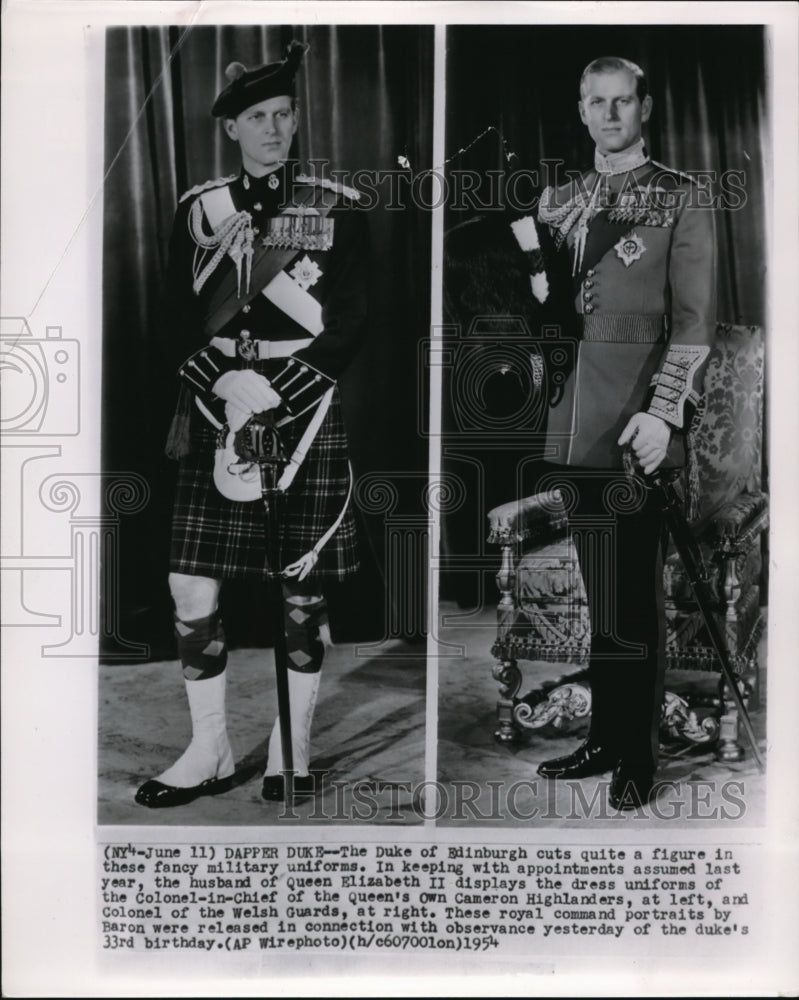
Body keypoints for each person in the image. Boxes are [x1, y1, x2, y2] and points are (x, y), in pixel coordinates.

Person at [135, 41, 367, 808]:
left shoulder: (335, 205)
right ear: (231, 128)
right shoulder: (201, 210)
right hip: (216, 399)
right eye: (258, 117)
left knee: (301, 591)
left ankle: (289, 749)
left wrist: (283, 390)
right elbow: (172, 319)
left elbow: (352, 323)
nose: (274, 129)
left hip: (303, 406)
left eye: (284, 115)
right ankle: (208, 749)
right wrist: (223, 377)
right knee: (188, 581)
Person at [534, 56, 716, 809]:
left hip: (637, 424)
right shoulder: (558, 200)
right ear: (580, 112)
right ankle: (603, 738)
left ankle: (636, 755)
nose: (609, 115)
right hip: (574, 421)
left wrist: (661, 412)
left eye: (622, 102)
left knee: (631, 602)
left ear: (643, 108)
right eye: (595, 103)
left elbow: (694, 324)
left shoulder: (679, 197)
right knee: (599, 593)